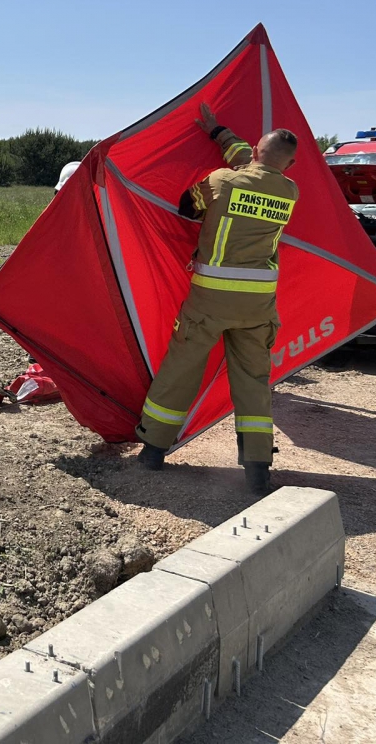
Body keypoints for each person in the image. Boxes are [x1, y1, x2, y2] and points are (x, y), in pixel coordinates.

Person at [135, 103, 300, 494]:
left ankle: (154, 450)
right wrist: (219, 132)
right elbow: (258, 167)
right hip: (258, 305)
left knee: (182, 370)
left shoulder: (222, 181)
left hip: (210, 300)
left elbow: (187, 207)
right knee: (253, 383)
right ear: (288, 165)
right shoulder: (289, 190)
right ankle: (258, 469)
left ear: (256, 152)